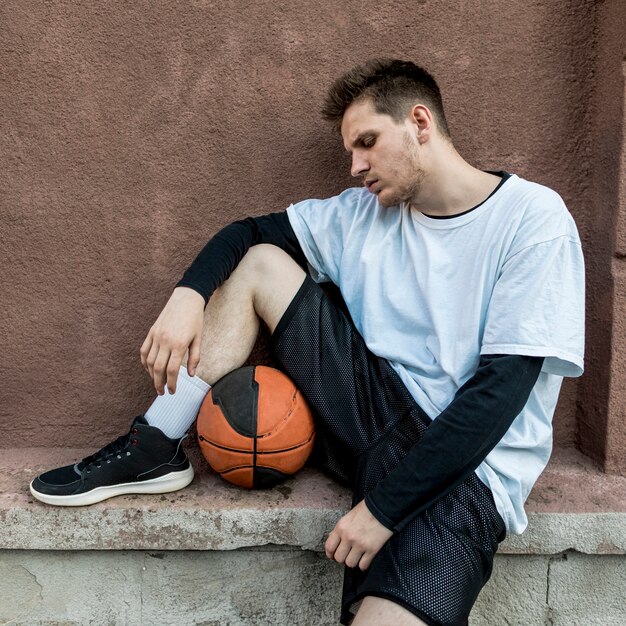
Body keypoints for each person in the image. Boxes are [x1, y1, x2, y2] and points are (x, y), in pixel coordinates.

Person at [30, 59, 585, 625]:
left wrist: (384, 511)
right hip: (370, 410)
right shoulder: (361, 217)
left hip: (463, 469)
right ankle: (153, 444)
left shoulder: (532, 219)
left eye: (367, 143)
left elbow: (499, 394)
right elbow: (247, 233)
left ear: (420, 122)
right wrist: (188, 296)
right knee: (264, 263)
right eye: (351, 150)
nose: (355, 166)